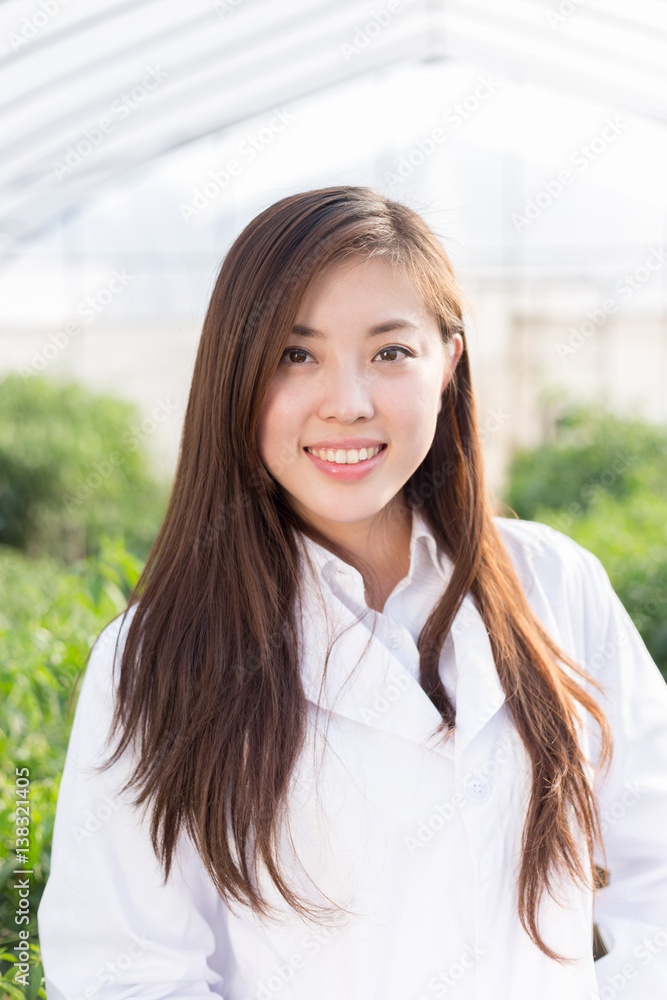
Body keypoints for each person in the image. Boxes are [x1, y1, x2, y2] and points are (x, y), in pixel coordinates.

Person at [37, 186, 667, 1000]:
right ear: (235, 375)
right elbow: (125, 976)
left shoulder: (554, 584)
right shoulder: (152, 662)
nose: (347, 403)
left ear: (448, 363)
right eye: (296, 355)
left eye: (389, 352)